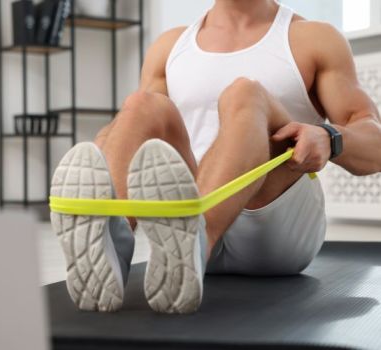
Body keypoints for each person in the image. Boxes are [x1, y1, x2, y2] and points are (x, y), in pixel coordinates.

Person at [50, 0, 381, 314]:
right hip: (192, 205)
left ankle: (195, 239)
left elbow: (375, 145)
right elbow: (137, 139)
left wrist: (330, 137)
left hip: (274, 224)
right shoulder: (170, 47)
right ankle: (112, 240)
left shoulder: (313, 38)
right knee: (141, 105)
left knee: (245, 94)